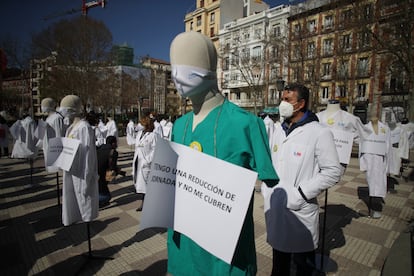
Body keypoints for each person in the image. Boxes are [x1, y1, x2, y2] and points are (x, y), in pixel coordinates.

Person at [166, 31, 279, 275]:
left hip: (225, 255)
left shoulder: (246, 124)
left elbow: (267, 178)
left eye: (185, 65)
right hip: (183, 247)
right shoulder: (178, 125)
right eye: (174, 67)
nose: (176, 76)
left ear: (208, 69)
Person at [262, 83, 342, 275]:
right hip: (277, 207)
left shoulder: (319, 132)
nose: (282, 103)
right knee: (278, 265)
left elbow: (333, 171)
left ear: (301, 104)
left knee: (303, 265)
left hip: (301, 209)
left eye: (287, 99)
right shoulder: (278, 130)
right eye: (282, 98)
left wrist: (301, 193)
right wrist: (267, 190)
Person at [59, 95, 99, 226]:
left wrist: (87, 179)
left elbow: (89, 156)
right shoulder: (72, 127)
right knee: (72, 203)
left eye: (63, 108)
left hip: (81, 175)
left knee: (84, 206)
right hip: (72, 172)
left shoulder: (83, 128)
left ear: (71, 109)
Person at [359, 115, 391, 218]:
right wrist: (363, 163)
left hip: (380, 159)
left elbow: (388, 146)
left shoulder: (385, 129)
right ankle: (373, 209)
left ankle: (375, 209)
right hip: (369, 159)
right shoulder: (364, 128)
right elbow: (361, 145)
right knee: (371, 182)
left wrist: (387, 163)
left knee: (380, 183)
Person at [132, 116, 159, 211]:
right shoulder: (140, 134)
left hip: (146, 164)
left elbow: (155, 150)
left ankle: (147, 205)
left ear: (147, 125)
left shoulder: (153, 136)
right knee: (141, 186)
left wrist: (147, 161)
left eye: (142, 124)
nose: (139, 125)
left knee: (147, 186)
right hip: (137, 161)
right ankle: (144, 204)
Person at [96, 135, 124, 207]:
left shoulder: (100, 147)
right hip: (103, 175)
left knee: (101, 188)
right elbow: (112, 167)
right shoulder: (113, 152)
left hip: (95, 173)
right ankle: (99, 202)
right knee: (107, 196)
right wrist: (119, 171)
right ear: (113, 143)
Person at [40, 97, 65, 173]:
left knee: (56, 168)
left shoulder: (57, 118)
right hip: (48, 146)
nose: (42, 107)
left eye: (43, 105)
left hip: (55, 148)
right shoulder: (48, 118)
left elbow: (59, 134)